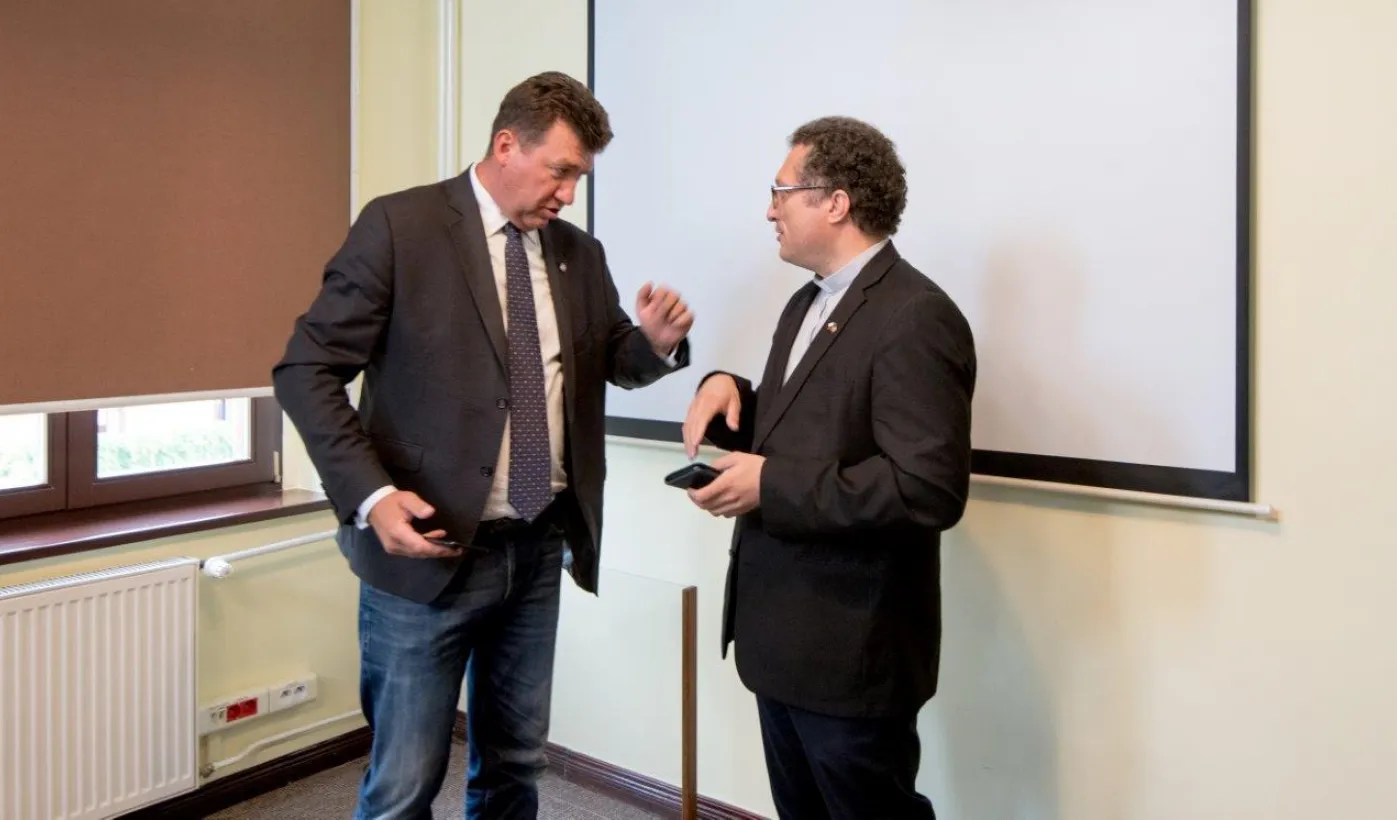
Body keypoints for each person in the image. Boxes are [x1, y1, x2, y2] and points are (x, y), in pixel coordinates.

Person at [273, 71, 693, 820]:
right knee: (404, 783)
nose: (568, 194)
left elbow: (605, 358)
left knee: (515, 768)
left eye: (579, 177)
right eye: (560, 171)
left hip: (536, 547)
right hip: (428, 550)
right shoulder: (400, 227)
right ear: (506, 145)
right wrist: (371, 497)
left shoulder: (578, 253)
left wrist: (654, 345)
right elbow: (306, 370)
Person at [680, 116, 975, 820]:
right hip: (782, 641)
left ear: (836, 202)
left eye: (781, 191)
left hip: (852, 657)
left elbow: (925, 489)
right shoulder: (806, 302)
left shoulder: (916, 316)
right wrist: (727, 390)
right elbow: (808, 425)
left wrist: (769, 484)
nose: (769, 210)